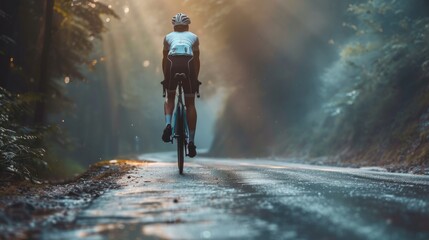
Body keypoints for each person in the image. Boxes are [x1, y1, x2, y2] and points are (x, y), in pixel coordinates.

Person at [161, 13, 200, 158]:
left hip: (172, 63)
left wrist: (166, 78)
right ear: (187, 25)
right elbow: (196, 61)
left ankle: (168, 125)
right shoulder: (194, 37)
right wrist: (195, 78)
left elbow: (165, 59)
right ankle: (191, 142)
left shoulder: (167, 37)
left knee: (170, 96)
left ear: (174, 26)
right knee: (190, 103)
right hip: (188, 62)